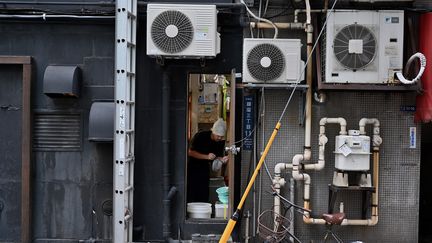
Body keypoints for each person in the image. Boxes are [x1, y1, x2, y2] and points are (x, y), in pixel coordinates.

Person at [187, 118, 229, 203]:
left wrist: (221, 160)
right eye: (218, 136)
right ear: (213, 132)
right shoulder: (201, 136)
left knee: (203, 193)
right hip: (192, 168)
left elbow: (216, 160)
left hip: (205, 170)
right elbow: (190, 152)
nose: (219, 138)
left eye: (221, 136)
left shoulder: (220, 142)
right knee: (191, 192)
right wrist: (206, 157)